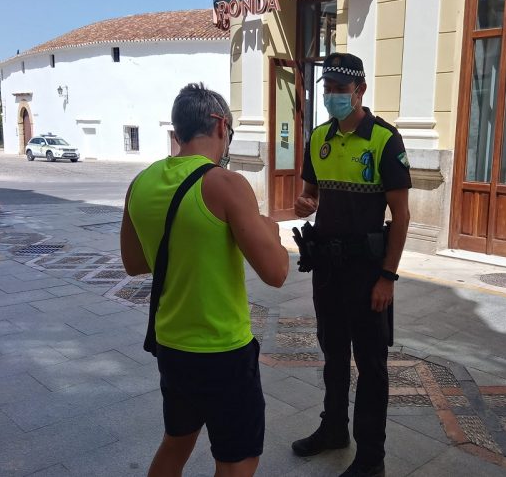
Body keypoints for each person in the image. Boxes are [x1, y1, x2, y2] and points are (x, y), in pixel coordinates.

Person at [120, 83, 290, 477]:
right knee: (238, 461)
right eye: (229, 131)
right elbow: (277, 273)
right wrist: (273, 234)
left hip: (171, 345)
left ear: (178, 131)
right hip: (222, 351)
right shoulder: (225, 184)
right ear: (219, 124)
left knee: (176, 442)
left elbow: (133, 263)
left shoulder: (140, 184)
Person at [291, 53, 411, 477]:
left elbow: (402, 215)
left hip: (367, 274)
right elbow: (308, 196)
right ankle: (334, 430)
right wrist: (305, 202)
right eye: (327, 89)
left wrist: (387, 277)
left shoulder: (384, 139)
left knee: (372, 365)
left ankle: (371, 458)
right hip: (327, 270)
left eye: (340, 89)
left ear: (359, 90)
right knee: (334, 355)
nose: (332, 96)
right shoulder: (318, 138)